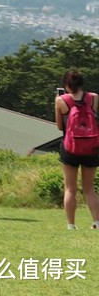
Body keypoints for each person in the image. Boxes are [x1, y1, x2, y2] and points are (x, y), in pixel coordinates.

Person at [54, 70, 99, 230]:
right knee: (89, 188)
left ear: (66, 85)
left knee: (70, 188)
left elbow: (60, 126)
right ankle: (96, 223)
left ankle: (71, 225)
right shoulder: (93, 98)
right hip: (92, 148)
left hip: (70, 148)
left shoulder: (61, 100)